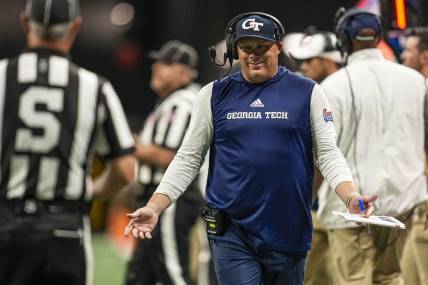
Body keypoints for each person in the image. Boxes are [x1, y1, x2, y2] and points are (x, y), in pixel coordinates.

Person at [125, 12, 377, 285]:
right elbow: (188, 158)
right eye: (246, 47)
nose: (253, 54)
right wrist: (155, 206)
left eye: (262, 47)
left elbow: (328, 153)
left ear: (278, 47)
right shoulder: (213, 94)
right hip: (232, 232)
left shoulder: (308, 92)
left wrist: (349, 196)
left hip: (288, 228)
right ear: (235, 50)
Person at [0, 0, 136, 284]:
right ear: (75, 27)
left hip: (6, 225)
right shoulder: (95, 87)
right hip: (66, 230)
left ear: (26, 23)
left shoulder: (2, 77)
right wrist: (90, 189)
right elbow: (125, 170)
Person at [317, 9, 428, 285]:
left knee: (354, 280)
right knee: (390, 277)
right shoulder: (416, 80)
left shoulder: (334, 85)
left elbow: (323, 150)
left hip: (352, 204)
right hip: (403, 200)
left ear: (345, 40)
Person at [124, 40, 203, 285]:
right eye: (157, 62)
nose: (156, 67)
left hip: (170, 198)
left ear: (183, 73)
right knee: (140, 273)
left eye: (166, 64)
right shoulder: (174, 101)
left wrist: (129, 146)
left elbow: (171, 156)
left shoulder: (182, 103)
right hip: (160, 198)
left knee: (174, 272)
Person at [289, 30, 342, 285]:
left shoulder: (324, 92)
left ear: (330, 59)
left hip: (327, 204)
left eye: (311, 60)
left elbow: (320, 155)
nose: (304, 66)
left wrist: (303, 203)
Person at [400, 26, 428, 285]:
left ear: (424, 57)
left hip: (426, 200)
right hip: (418, 200)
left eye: (408, 51)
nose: (403, 56)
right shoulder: (419, 89)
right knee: (407, 275)